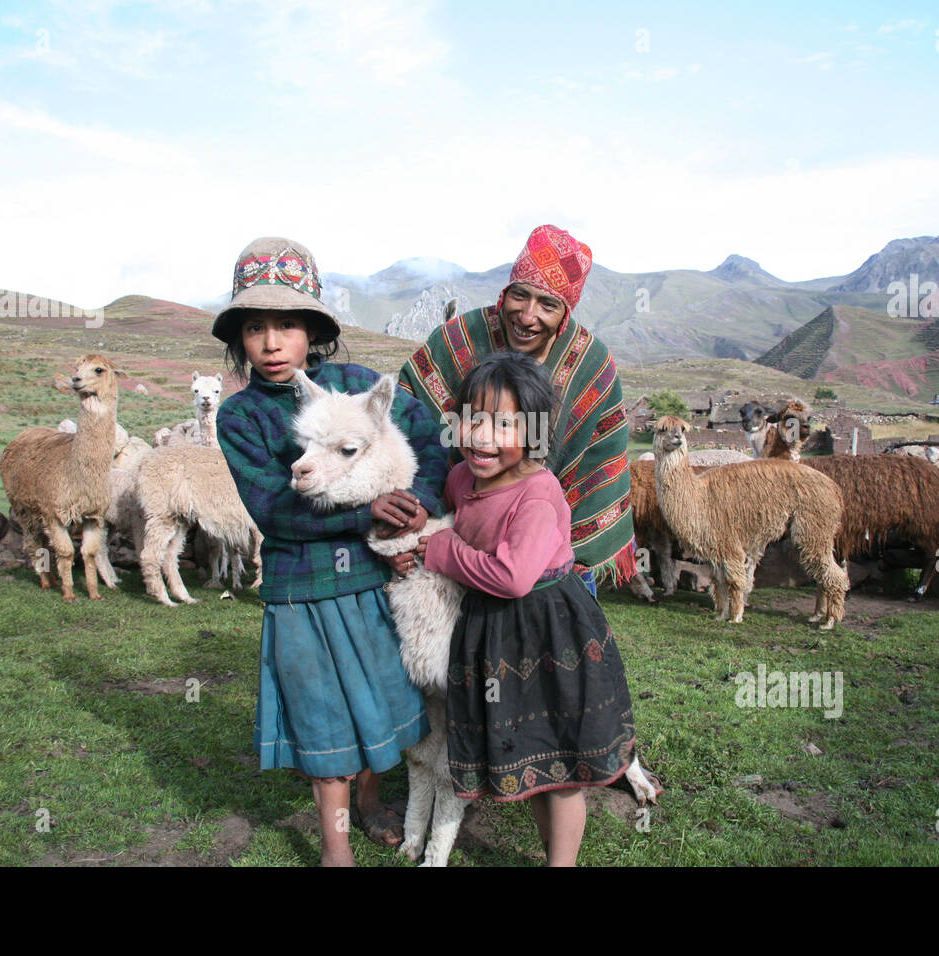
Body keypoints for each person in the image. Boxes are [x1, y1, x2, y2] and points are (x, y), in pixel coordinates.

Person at [212, 237, 449, 866]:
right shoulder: (240, 417)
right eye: (255, 327)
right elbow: (274, 508)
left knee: (372, 704)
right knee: (323, 715)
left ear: (311, 328)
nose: (270, 342)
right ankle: (335, 848)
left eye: (285, 325)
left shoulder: (354, 388)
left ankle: (371, 802)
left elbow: (428, 442)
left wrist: (417, 501)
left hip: (374, 584)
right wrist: (365, 511)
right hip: (303, 592)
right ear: (239, 337)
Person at [405, 351, 637, 866]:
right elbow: (453, 526)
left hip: (548, 631)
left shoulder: (536, 491)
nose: (484, 437)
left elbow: (512, 576)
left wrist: (441, 551)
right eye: (474, 420)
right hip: (493, 633)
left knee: (562, 764)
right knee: (530, 756)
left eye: (506, 424)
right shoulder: (461, 479)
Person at [397, 224, 638, 596]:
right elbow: (410, 421)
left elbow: (599, 457)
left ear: (566, 312)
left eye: (548, 304)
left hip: (550, 553)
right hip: (458, 525)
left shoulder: (591, 364)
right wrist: (424, 506)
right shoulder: (458, 340)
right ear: (505, 292)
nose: (527, 316)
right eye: (519, 296)